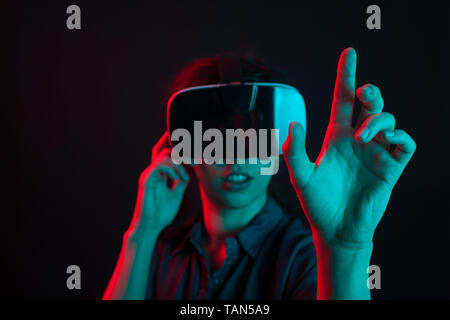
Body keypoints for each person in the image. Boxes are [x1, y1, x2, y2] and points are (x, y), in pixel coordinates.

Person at [103, 48, 416, 300]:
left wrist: (345, 250)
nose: (236, 157)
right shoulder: (159, 253)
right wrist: (142, 231)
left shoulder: (304, 257)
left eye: (252, 137)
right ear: (183, 150)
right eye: (214, 139)